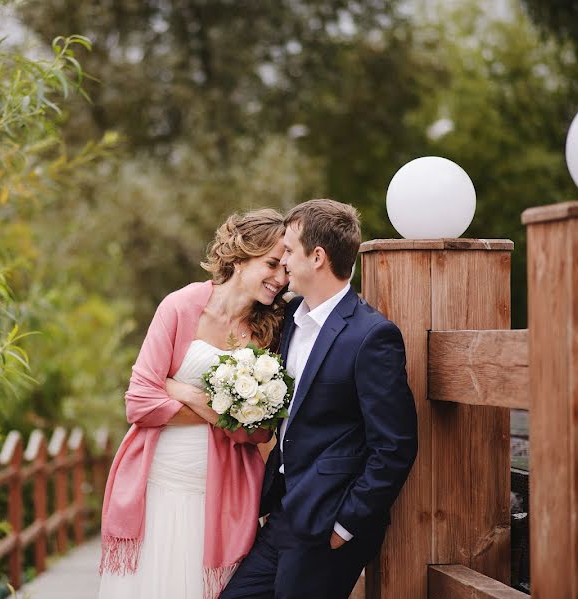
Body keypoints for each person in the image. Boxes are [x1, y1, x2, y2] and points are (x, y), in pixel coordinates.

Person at [221, 199, 418, 599]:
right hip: (285, 514)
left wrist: (346, 525)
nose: (284, 260)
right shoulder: (292, 322)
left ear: (317, 257)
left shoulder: (370, 336)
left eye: (290, 251)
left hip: (329, 523)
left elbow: (395, 445)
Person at [99, 209, 290, 599]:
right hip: (157, 485)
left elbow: (257, 432)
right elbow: (139, 403)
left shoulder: (271, 329)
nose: (281, 279)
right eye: (272, 264)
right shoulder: (181, 306)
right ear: (240, 257)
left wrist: (186, 392)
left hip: (225, 495)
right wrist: (227, 413)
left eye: (286, 268)